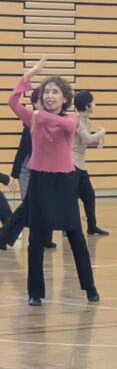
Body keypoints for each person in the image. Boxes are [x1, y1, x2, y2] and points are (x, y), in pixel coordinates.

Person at [8, 60, 98, 306]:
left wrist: (40, 116)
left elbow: (66, 125)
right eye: (46, 91)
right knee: (36, 239)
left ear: (64, 98)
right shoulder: (33, 118)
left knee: (76, 235)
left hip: (65, 181)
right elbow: (12, 102)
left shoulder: (71, 118)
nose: (49, 95)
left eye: (55, 92)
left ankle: (89, 286)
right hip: (39, 180)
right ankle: (35, 292)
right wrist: (26, 78)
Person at [0, 87, 44, 250]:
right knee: (29, 205)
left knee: (37, 205)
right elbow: (24, 151)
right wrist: (9, 175)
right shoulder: (31, 122)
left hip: (43, 171)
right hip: (29, 170)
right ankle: (5, 234)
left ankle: (6, 234)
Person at [72, 91, 108, 236]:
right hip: (72, 164)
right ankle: (68, 228)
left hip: (80, 164)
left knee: (89, 195)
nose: (95, 105)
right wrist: (102, 132)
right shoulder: (77, 121)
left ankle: (92, 226)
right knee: (71, 198)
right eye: (93, 102)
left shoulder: (87, 120)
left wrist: (96, 141)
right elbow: (87, 139)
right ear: (87, 106)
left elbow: (84, 141)